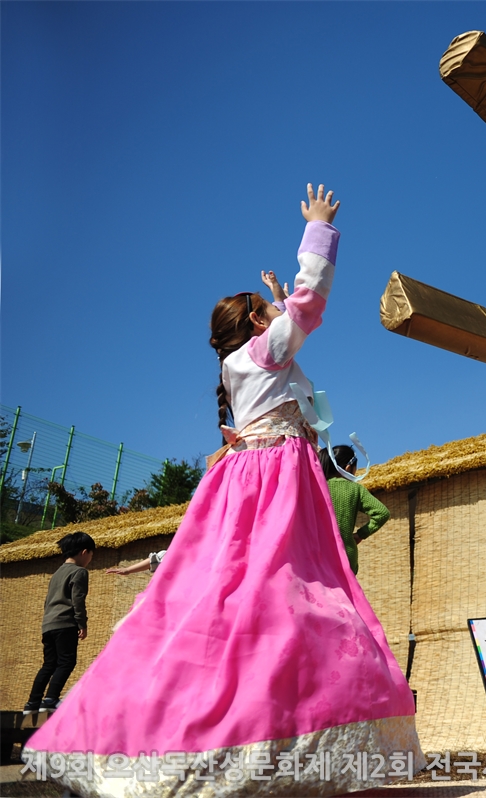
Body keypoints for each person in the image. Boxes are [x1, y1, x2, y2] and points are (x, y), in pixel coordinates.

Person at [23, 184, 422, 797]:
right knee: (284, 592)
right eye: (267, 312)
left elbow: (287, 323)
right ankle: (270, 731)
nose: (277, 314)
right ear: (258, 326)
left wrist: (272, 295)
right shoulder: (264, 353)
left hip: (248, 478)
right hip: (274, 480)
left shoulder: (240, 364)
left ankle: (208, 727)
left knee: (235, 593)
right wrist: (318, 231)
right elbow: (308, 307)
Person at [24, 532, 95, 714]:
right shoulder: (79, 572)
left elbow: (47, 601)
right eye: (91, 555)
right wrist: (82, 624)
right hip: (65, 623)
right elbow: (77, 600)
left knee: (49, 664)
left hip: (48, 624)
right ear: (84, 552)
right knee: (66, 662)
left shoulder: (56, 574)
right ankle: (50, 699)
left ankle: (32, 703)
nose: (90, 559)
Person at [319, 444, 389, 575]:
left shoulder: (316, 487)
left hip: (318, 557)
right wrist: (360, 535)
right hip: (346, 557)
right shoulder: (355, 489)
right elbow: (382, 513)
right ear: (348, 467)